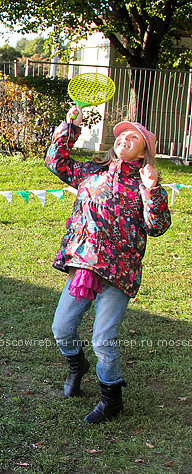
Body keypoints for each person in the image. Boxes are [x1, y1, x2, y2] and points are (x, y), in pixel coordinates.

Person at [46, 107, 171, 424]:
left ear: (145, 152)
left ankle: (110, 398)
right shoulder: (93, 171)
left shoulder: (145, 183)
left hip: (119, 272)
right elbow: (55, 162)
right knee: (62, 329)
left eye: (134, 137)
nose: (125, 139)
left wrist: (152, 189)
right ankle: (77, 366)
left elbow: (157, 226)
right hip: (85, 264)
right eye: (122, 135)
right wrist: (70, 125)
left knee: (103, 338)